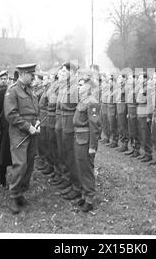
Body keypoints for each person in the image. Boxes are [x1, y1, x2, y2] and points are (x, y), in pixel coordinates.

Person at [4, 63, 40, 214]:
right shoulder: (12, 91)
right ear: (23, 74)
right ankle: (13, 196)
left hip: (32, 131)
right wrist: (28, 126)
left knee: (29, 163)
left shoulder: (30, 90)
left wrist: (37, 121)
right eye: (31, 75)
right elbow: (11, 115)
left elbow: (35, 110)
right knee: (20, 165)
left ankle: (20, 193)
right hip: (20, 132)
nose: (33, 77)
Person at [73, 74, 101, 212]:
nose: (78, 87)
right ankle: (84, 195)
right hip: (79, 138)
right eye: (78, 85)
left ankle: (90, 199)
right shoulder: (83, 100)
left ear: (88, 87)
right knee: (80, 168)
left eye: (81, 85)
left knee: (87, 170)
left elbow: (95, 127)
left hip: (85, 140)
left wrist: (92, 147)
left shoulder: (92, 102)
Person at [59, 61, 82, 200]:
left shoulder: (76, 87)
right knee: (67, 156)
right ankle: (72, 182)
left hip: (71, 126)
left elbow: (79, 109)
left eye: (64, 71)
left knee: (73, 158)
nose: (62, 73)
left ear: (71, 72)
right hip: (64, 123)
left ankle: (77, 187)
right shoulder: (67, 86)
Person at [0, 70, 12, 188]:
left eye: (5, 79)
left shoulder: (8, 91)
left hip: (8, 126)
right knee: (2, 153)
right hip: (2, 127)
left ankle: (3, 178)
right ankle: (2, 178)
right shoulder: (0, 92)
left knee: (6, 153)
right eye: (1, 79)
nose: (3, 81)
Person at [136, 72, 153, 160]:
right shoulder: (141, 88)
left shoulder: (148, 88)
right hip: (140, 112)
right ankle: (145, 152)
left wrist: (148, 116)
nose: (139, 80)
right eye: (138, 78)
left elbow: (150, 103)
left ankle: (148, 153)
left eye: (141, 78)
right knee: (142, 134)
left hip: (145, 113)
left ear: (145, 79)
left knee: (146, 134)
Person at [125, 72, 141, 157]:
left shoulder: (138, 88)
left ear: (135, 79)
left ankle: (137, 149)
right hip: (130, 111)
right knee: (131, 131)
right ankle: (133, 148)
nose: (129, 80)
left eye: (131, 79)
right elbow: (129, 102)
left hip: (135, 111)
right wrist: (128, 112)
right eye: (129, 79)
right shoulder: (131, 89)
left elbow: (139, 102)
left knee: (135, 131)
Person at [115, 73, 129, 152]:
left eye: (121, 78)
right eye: (119, 78)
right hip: (119, 106)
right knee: (120, 126)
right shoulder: (119, 87)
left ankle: (125, 144)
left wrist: (127, 111)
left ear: (124, 79)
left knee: (123, 126)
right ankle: (122, 143)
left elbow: (127, 100)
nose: (119, 79)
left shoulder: (126, 88)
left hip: (123, 107)